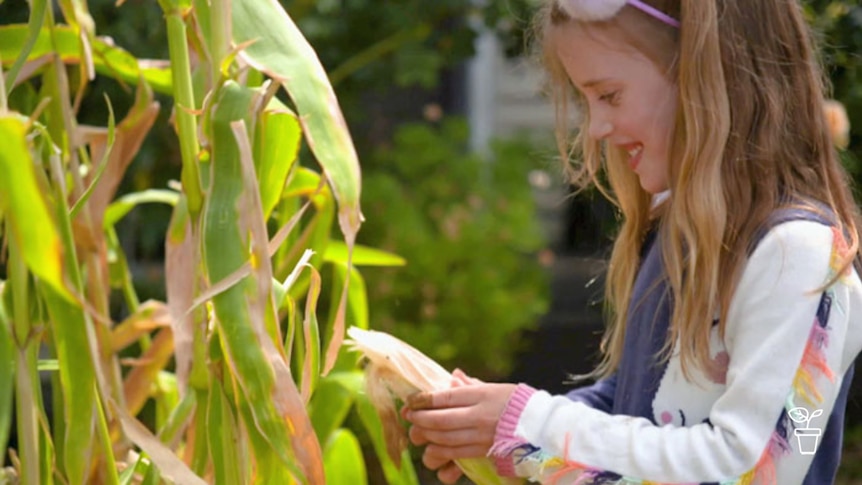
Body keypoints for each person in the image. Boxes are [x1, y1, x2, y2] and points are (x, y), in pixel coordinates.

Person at [403, 0, 862, 483]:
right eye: (587, 101)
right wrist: (500, 434)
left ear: (705, 78)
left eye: (610, 95)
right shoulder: (678, 237)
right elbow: (637, 405)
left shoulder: (805, 260)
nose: (597, 127)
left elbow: (768, 464)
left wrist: (535, 426)